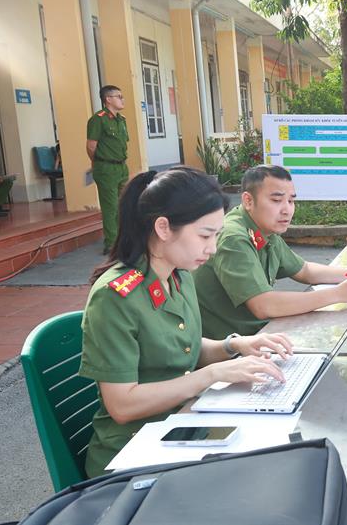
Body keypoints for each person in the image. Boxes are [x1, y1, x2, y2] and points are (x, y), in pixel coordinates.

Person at [79, 167, 295, 477]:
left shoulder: (179, 276)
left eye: (217, 235)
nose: (213, 247)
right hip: (133, 455)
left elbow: (185, 348)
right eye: (205, 235)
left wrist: (235, 346)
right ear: (164, 228)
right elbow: (122, 405)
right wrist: (211, 375)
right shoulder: (115, 297)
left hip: (183, 427)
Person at [193, 165, 347, 340]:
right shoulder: (234, 238)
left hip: (259, 336)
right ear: (248, 200)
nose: (287, 210)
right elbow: (264, 305)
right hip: (231, 347)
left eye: (291, 201)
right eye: (276, 200)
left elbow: (304, 270)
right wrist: (337, 294)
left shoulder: (264, 227)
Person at [87, 85, 130, 254]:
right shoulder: (98, 119)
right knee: (110, 207)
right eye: (118, 96)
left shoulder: (121, 120)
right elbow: (91, 146)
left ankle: (123, 239)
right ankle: (112, 244)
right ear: (108, 99)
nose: (122, 99)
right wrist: (98, 162)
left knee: (124, 204)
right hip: (106, 167)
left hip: (121, 166)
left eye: (122, 96)